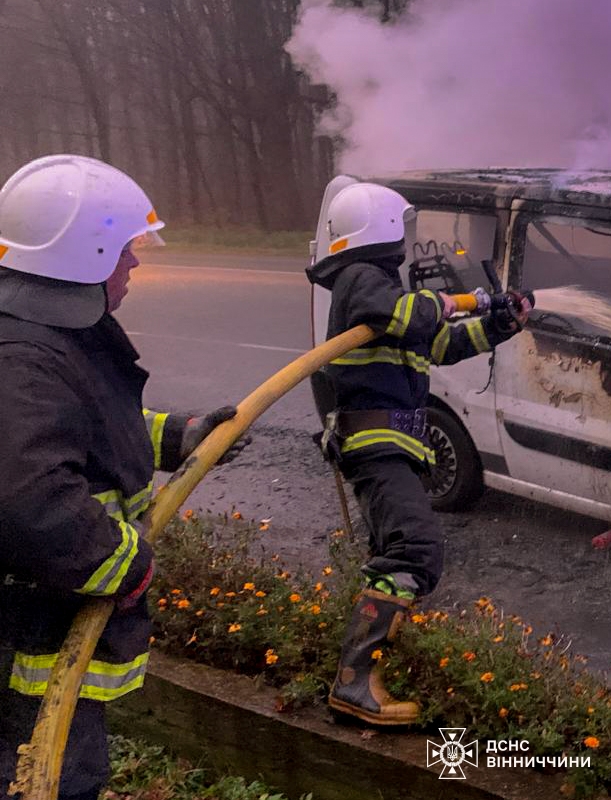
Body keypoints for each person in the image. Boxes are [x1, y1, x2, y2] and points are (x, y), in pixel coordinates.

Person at [0, 154, 249, 799]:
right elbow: (31, 506)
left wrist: (182, 436)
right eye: (127, 250)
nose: (137, 263)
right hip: (28, 653)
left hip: (41, 636)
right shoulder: (25, 358)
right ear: (86, 257)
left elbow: (88, 429)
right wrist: (126, 563)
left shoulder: (48, 334)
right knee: (52, 782)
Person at [307, 181, 531, 725]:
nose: (409, 237)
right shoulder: (364, 281)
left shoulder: (382, 289)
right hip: (375, 446)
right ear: (381, 228)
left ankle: (362, 676)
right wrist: (467, 298)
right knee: (415, 549)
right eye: (403, 226)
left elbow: (437, 344)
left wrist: (498, 324)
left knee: (402, 553)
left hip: (392, 447)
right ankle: (354, 682)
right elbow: (401, 317)